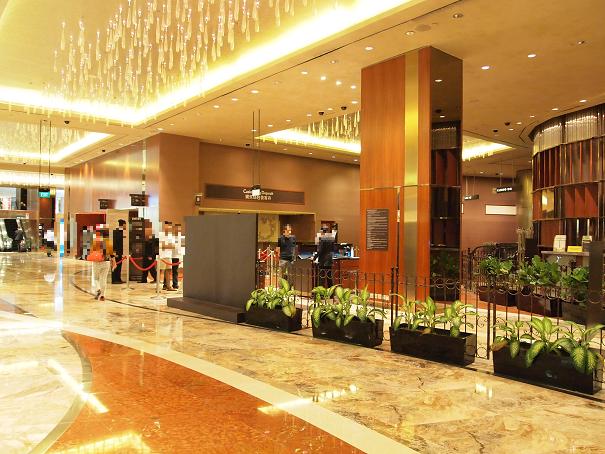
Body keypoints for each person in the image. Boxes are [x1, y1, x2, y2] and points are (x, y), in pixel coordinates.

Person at [88, 226, 114, 301]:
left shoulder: (95, 241)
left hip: (97, 262)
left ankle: (98, 289)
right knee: (103, 279)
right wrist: (114, 262)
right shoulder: (108, 241)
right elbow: (111, 254)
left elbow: (90, 251)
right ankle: (102, 295)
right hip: (106, 262)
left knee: (96, 278)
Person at [159, 221, 176, 291]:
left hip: (168, 256)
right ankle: (159, 286)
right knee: (160, 271)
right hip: (162, 256)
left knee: (168, 271)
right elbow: (161, 245)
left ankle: (168, 286)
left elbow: (173, 246)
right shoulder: (161, 235)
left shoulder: (171, 235)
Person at [111, 219, 126, 284]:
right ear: (122, 225)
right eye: (125, 225)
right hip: (116, 253)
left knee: (119, 267)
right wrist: (115, 253)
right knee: (115, 266)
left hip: (119, 253)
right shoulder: (116, 232)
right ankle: (114, 280)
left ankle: (118, 279)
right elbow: (114, 243)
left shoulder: (121, 232)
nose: (126, 226)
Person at [171, 224, 183, 290]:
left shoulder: (180, 238)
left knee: (175, 271)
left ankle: (175, 284)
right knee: (168, 271)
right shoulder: (171, 237)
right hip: (170, 256)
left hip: (176, 256)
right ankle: (166, 285)